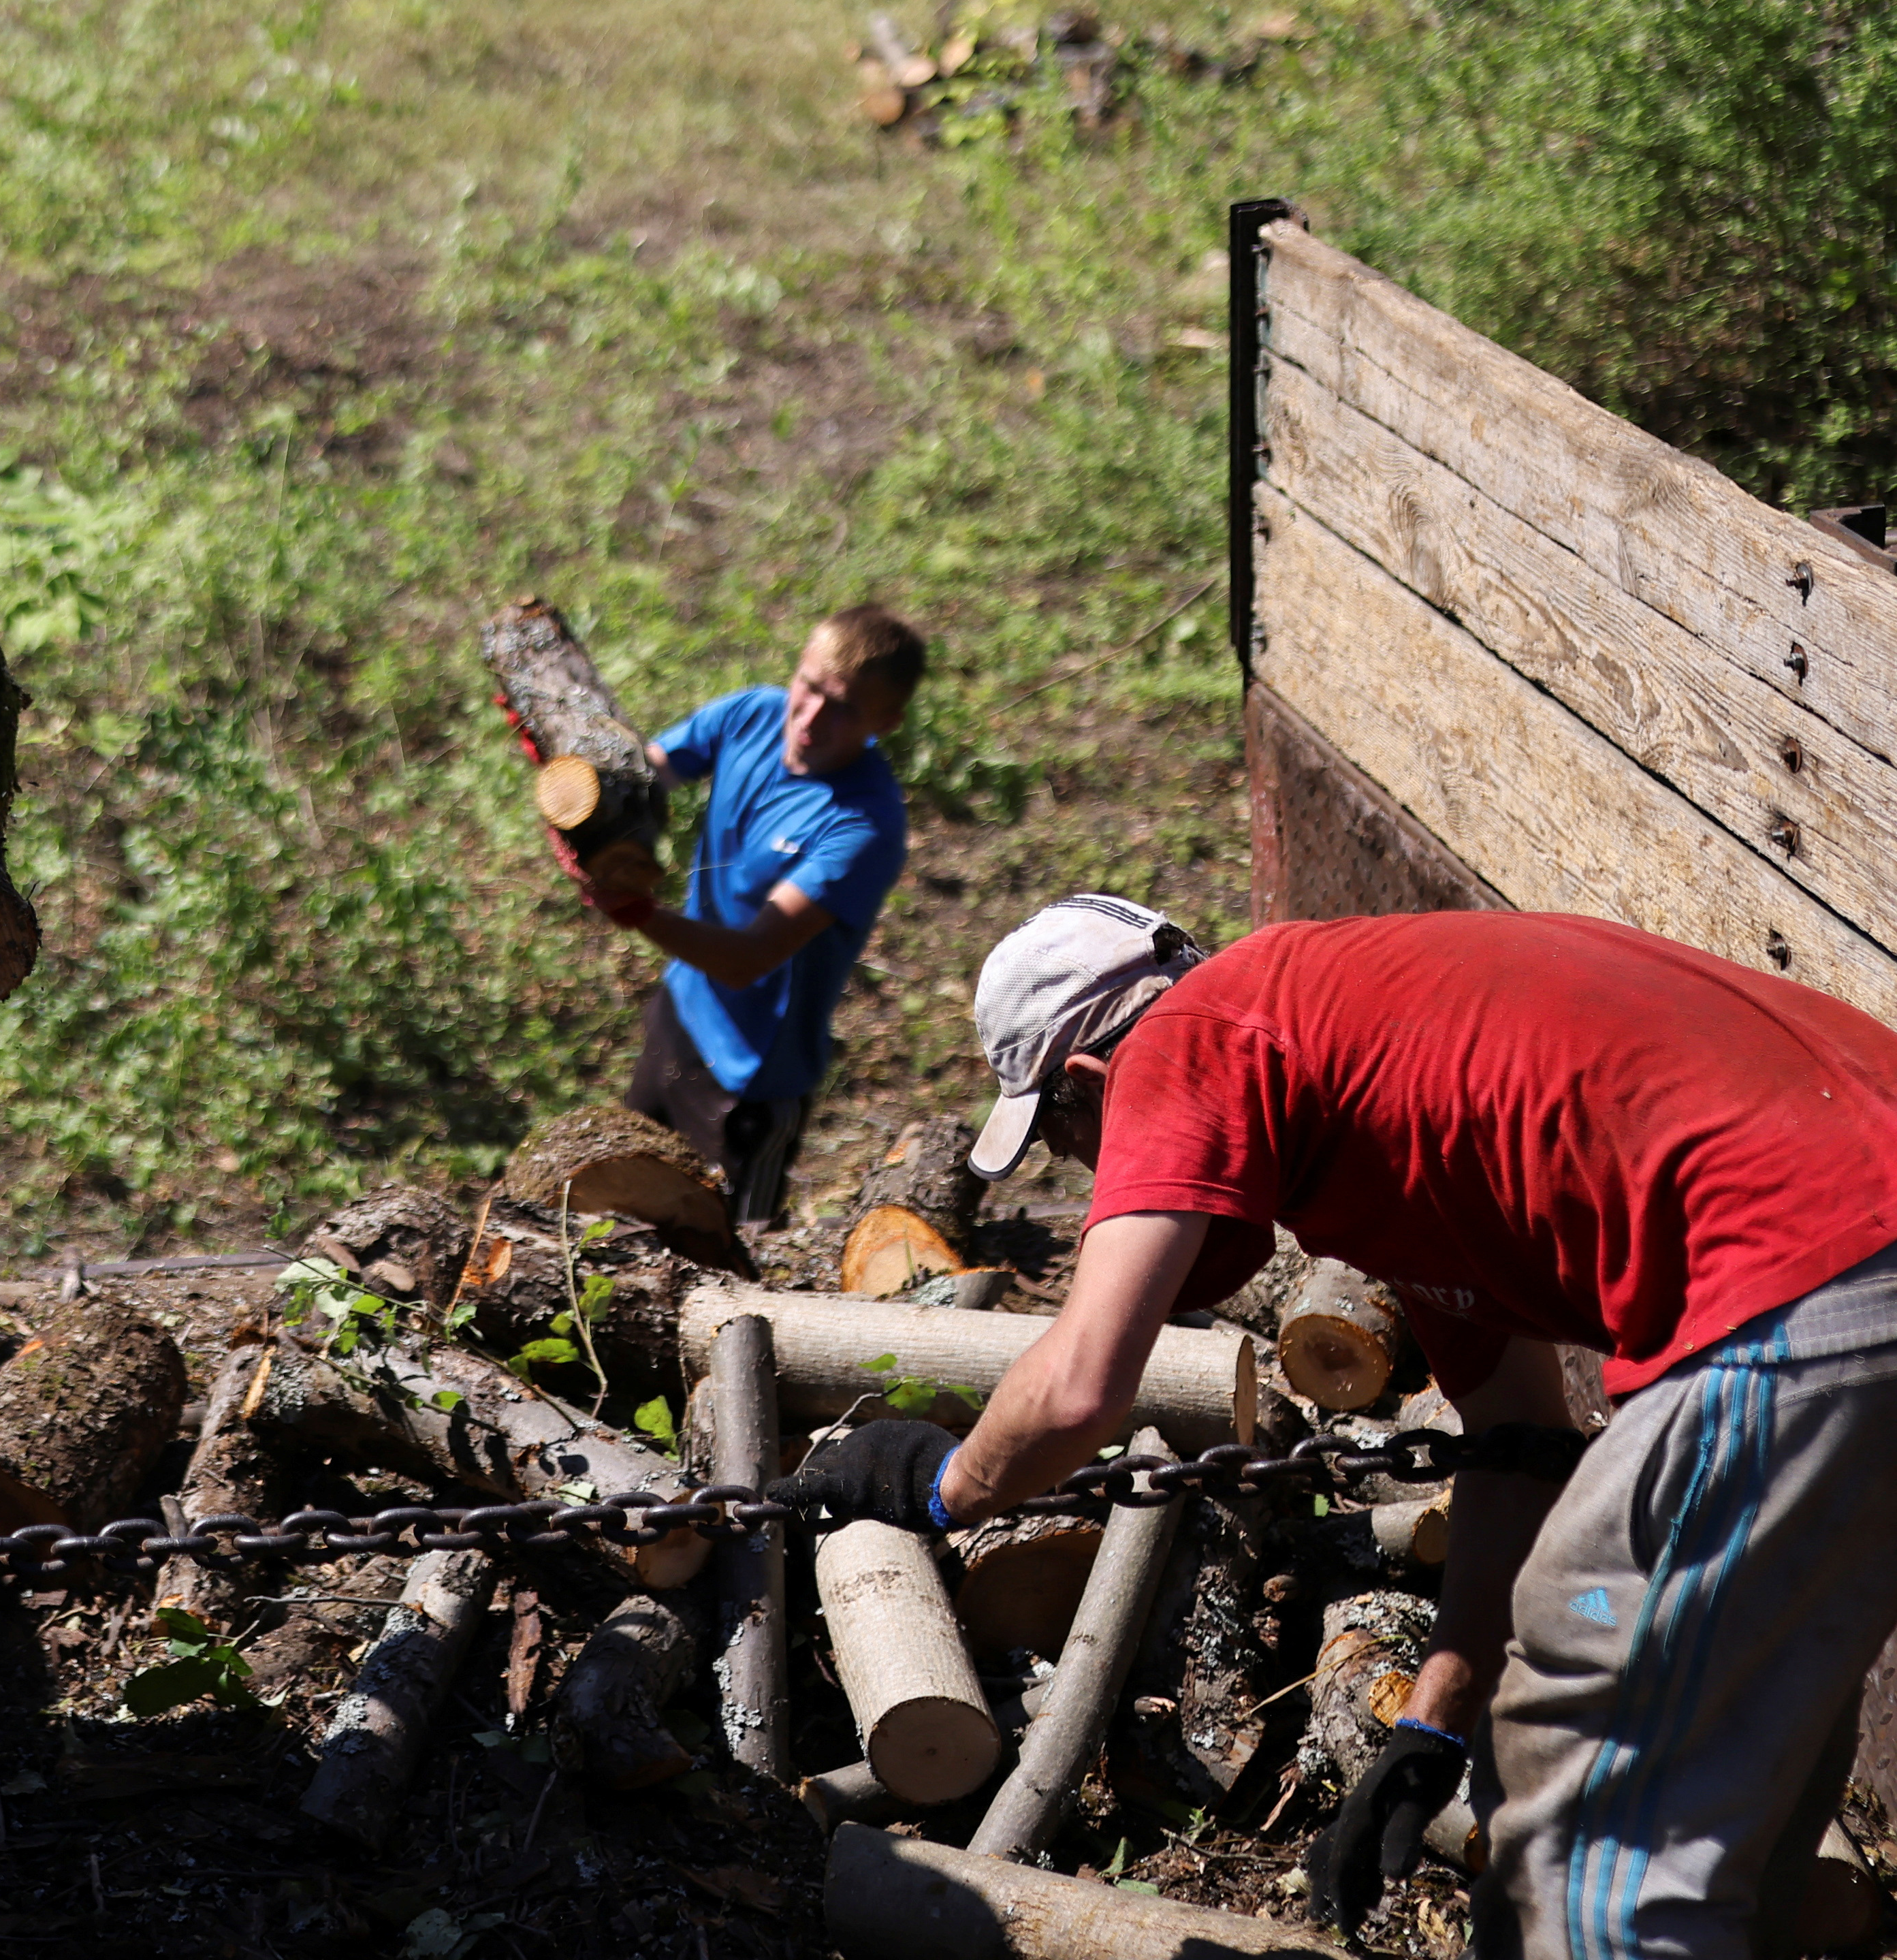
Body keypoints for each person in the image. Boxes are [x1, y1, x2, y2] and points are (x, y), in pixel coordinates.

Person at [769, 896, 1897, 1959]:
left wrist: (942, 1483)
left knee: (1591, 1749)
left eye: (1066, 1138)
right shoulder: (1366, 1087)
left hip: (1810, 1271)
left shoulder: (1193, 1034)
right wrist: (1436, 1728)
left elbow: (1078, 1384)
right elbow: (1520, 1444)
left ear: (1087, 1074)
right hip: (1854, 1262)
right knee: (1751, 1741)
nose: (1083, 1169)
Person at [562, 605, 920, 1229]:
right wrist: (586, 811)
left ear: (885, 722)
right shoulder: (751, 715)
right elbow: (646, 777)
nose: (809, 719)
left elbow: (746, 960)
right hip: (679, 1014)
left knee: (726, 1256)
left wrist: (636, 911)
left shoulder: (863, 825)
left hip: (749, 1083)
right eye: (808, 688)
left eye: (843, 708)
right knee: (616, 1213)